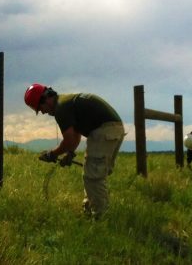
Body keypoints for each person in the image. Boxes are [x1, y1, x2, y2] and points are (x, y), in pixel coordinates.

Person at [25, 83, 125, 218]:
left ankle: (100, 217)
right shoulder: (65, 102)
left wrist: (52, 154)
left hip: (104, 130)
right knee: (94, 173)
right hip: (113, 128)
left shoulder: (61, 109)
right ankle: (89, 212)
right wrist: (70, 153)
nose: (43, 112)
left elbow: (69, 140)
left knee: (93, 176)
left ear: (46, 98)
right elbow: (75, 135)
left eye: (40, 108)